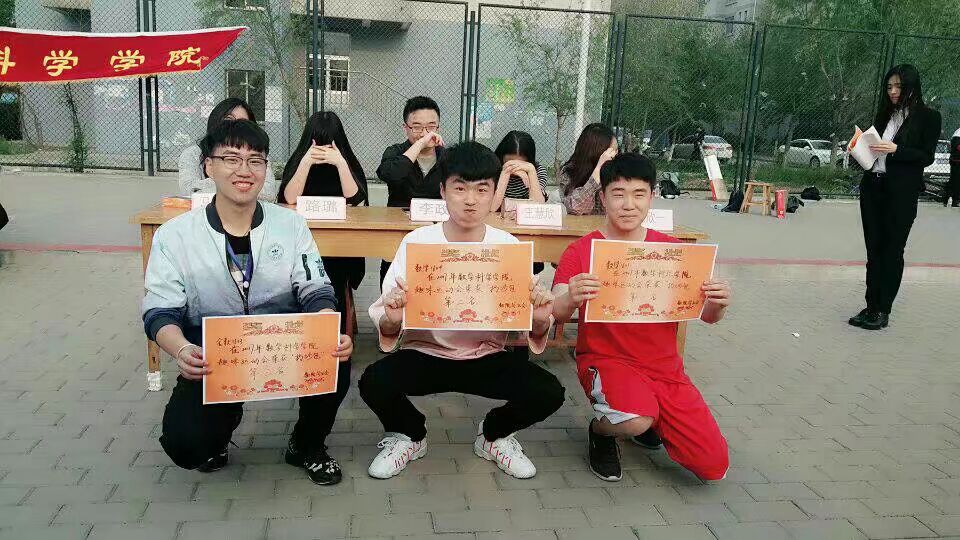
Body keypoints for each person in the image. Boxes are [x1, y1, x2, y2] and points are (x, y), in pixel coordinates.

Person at [143, 119, 353, 485]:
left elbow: (315, 286)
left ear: (266, 169)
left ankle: (307, 444)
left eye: (255, 160)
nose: (245, 170)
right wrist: (182, 350)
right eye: (231, 159)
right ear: (209, 166)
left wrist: (326, 324)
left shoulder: (290, 225)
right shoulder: (175, 235)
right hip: (214, 356)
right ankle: (222, 423)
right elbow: (160, 311)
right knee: (187, 446)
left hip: (283, 346)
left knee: (335, 357)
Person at [359, 141, 565, 480]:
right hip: (426, 352)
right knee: (373, 382)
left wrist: (541, 320)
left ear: (494, 193)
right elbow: (387, 319)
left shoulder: (507, 248)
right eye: (460, 188)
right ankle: (410, 434)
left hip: (486, 354)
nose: (471, 200)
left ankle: (494, 435)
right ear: (443, 190)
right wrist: (393, 320)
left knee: (549, 391)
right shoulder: (418, 243)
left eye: (482, 189)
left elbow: (532, 325)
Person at [552, 152, 732, 483]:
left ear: (652, 196)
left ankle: (649, 415)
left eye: (639, 194)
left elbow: (707, 316)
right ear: (602, 197)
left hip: (665, 370)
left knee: (713, 465)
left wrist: (718, 303)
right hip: (608, 361)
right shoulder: (581, 251)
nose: (628, 205)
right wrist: (570, 297)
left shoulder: (672, 251)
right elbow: (556, 310)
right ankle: (602, 431)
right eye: (618, 194)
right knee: (635, 420)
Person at [849, 64, 942, 331]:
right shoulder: (885, 115)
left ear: (911, 86)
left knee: (892, 250)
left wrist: (896, 149)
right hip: (873, 188)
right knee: (873, 250)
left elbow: (927, 156)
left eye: (898, 86)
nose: (892, 91)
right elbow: (873, 148)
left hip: (900, 194)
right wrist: (857, 149)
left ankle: (882, 309)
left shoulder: (928, 117)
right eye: (889, 87)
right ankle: (870, 306)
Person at [278, 111, 368, 338]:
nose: (323, 150)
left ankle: (334, 333)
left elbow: (356, 199)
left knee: (335, 273)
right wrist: (306, 162)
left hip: (341, 248)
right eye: (319, 143)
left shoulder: (346, 161)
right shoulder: (300, 160)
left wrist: (340, 163)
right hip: (302, 243)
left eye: (330, 143)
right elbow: (288, 197)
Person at [376, 96, 447, 288]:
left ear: (438, 127)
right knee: (393, 290)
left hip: (437, 234)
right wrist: (420, 144)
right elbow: (390, 174)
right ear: (405, 128)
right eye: (417, 127)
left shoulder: (447, 156)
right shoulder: (395, 151)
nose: (425, 133)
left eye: (431, 127)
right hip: (398, 234)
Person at [178, 98, 279, 201]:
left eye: (242, 123)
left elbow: (268, 194)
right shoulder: (192, 154)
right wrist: (240, 184)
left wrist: (222, 183)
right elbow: (189, 191)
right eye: (229, 120)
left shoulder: (258, 156)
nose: (234, 127)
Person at [559, 123, 619, 216]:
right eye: (612, 151)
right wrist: (598, 171)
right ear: (598, 151)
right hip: (580, 225)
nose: (616, 154)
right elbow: (575, 208)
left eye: (617, 149)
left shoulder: (615, 171)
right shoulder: (570, 171)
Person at [491, 130, 549, 212]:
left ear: (529, 160)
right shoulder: (492, 169)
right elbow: (491, 208)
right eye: (510, 163)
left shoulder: (538, 171)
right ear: (501, 156)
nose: (515, 166)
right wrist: (505, 173)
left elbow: (538, 207)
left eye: (520, 163)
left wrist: (531, 170)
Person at [947, 127, 960, 207]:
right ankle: (955, 200)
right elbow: (958, 147)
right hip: (957, 161)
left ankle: (953, 198)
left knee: (954, 180)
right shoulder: (958, 134)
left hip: (956, 160)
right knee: (956, 181)